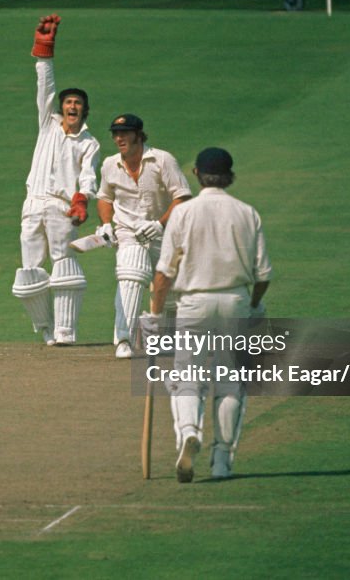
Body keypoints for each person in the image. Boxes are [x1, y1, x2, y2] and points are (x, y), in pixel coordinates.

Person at [149, 147, 271, 482]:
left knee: (186, 376)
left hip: (194, 303)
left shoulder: (184, 214)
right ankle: (221, 462)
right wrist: (255, 305)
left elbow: (163, 275)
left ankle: (189, 431)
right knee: (231, 382)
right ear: (229, 176)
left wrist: (156, 317)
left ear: (197, 174)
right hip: (234, 302)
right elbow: (263, 275)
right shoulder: (247, 213)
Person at [11, 14, 100, 346]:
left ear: (84, 111)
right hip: (33, 204)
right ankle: (45, 328)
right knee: (30, 271)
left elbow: (89, 175)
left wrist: (82, 199)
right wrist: (45, 51)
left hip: (63, 208)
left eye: (78, 103)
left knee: (64, 265)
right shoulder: (47, 124)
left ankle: (66, 331)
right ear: (60, 108)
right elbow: (44, 86)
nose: (72, 106)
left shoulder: (89, 142)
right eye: (68, 102)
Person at [96, 113, 191, 358]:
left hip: (165, 234)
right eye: (116, 134)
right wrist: (107, 224)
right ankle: (124, 340)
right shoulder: (110, 164)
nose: (119, 138)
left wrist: (160, 225)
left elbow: (181, 197)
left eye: (125, 133)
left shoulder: (162, 160)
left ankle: (166, 338)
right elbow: (105, 197)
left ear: (139, 134)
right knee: (130, 276)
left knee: (169, 289)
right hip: (129, 233)